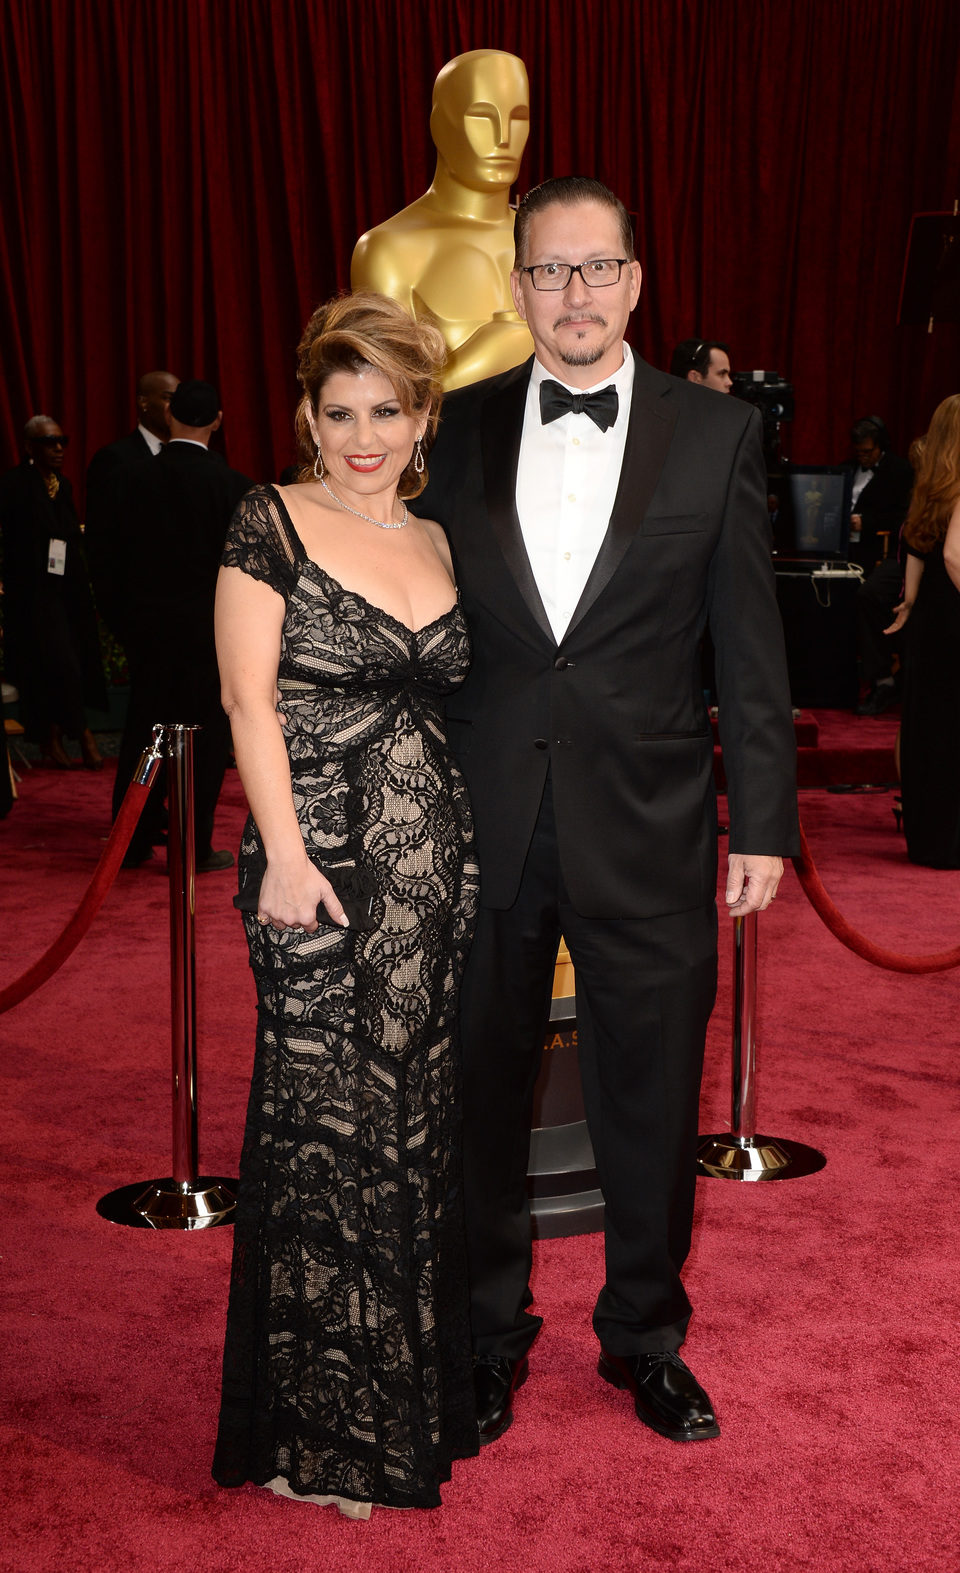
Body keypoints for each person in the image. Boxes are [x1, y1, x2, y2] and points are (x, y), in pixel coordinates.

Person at [415, 176, 799, 1447]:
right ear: (517, 285)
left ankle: (644, 1337)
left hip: (653, 824)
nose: (572, 294)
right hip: (485, 823)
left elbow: (751, 645)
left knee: (650, 1095)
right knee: (477, 1091)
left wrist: (764, 822)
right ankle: (482, 1336)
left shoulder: (718, 433)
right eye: (548, 271)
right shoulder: (453, 431)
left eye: (596, 269)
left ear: (635, 280)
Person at [212, 293, 479, 1514]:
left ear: (422, 415)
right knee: (321, 1133)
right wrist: (279, 856)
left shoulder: (437, 537)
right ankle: (316, 1434)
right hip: (316, 870)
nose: (360, 435)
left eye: (385, 410)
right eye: (337, 412)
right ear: (307, 418)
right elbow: (249, 703)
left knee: (407, 1126)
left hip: (433, 883)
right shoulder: (268, 521)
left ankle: (398, 1404)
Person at [114, 380, 251, 870]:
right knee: (206, 740)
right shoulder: (233, 486)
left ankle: (128, 844)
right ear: (217, 420)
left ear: (170, 416)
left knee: (141, 732)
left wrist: (125, 623)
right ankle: (191, 848)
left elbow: (110, 560)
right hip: (208, 637)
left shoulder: (132, 477)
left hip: (148, 633)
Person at [351, 49, 533, 388]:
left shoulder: (548, 242)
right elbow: (389, 401)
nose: (503, 137)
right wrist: (495, 353)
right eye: (481, 116)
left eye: (518, 117)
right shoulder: (388, 251)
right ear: (439, 124)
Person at [0, 416, 105, 768]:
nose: (58, 448)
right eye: (49, 441)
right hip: (32, 597)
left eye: (62, 440)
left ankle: (52, 737)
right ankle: (84, 735)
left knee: (63, 664)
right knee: (59, 666)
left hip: (66, 592)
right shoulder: (14, 485)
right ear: (30, 447)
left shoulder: (64, 485)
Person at [884, 394, 960, 867]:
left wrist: (909, 604)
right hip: (954, 616)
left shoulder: (930, 487)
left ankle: (926, 834)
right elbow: (954, 554)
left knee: (924, 725)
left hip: (929, 619)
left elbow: (914, 546)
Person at [84, 369, 179, 645]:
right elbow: (102, 543)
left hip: (187, 617)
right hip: (139, 615)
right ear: (143, 402)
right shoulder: (114, 460)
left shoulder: (192, 459)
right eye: (167, 398)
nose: (175, 407)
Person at [846, 416, 914, 713]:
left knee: (870, 596)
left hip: (880, 549)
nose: (862, 456)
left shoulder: (899, 471)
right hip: (844, 549)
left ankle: (883, 681)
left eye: (868, 452)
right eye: (859, 452)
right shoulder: (847, 468)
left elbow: (903, 518)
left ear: (881, 447)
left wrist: (867, 523)